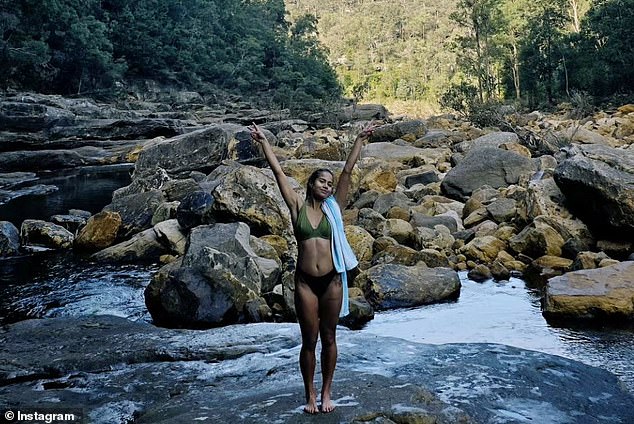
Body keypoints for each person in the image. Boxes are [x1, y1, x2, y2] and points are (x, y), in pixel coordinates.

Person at [250, 121, 375, 414]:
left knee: (329, 337)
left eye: (330, 184)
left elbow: (347, 171)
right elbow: (279, 172)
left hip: (331, 281)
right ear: (310, 183)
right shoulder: (297, 207)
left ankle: (327, 392)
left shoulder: (335, 207)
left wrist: (359, 140)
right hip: (305, 282)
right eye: (322, 182)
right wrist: (264, 142)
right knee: (309, 340)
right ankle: (310, 394)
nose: (328, 186)